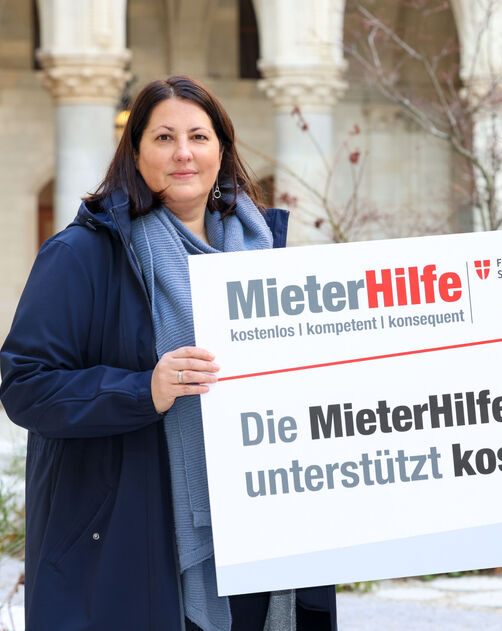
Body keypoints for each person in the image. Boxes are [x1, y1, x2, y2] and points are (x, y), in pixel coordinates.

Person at [0, 76, 336, 631]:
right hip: (133, 545)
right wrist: (142, 390)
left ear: (222, 150)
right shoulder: (82, 254)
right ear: (135, 153)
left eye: (199, 137)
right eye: (163, 138)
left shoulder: (267, 257)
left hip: (259, 537)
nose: (184, 153)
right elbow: (25, 386)